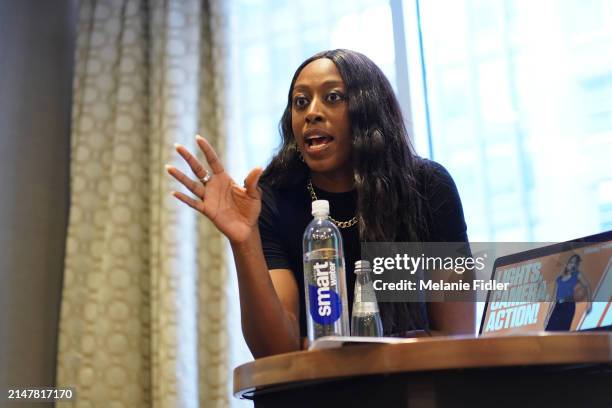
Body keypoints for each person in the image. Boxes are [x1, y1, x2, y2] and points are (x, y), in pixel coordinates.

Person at [166, 49, 475, 358]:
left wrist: (346, 354)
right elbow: (274, 350)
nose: (311, 112)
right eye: (301, 102)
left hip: (407, 384)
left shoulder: (425, 185)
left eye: (333, 97)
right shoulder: (274, 199)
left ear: (368, 110)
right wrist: (244, 241)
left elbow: (456, 335)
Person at [544, 254, 593, 331]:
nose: (572, 264)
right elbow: (553, 299)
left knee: (562, 332)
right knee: (549, 331)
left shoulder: (576, 275)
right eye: (571, 262)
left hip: (568, 306)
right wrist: (547, 315)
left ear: (576, 265)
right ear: (567, 263)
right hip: (558, 307)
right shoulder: (559, 279)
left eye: (574, 262)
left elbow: (587, 286)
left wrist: (589, 303)